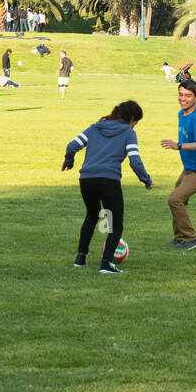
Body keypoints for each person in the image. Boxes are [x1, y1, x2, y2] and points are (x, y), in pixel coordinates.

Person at [63, 100, 153, 273]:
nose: (135, 126)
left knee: (92, 215)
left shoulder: (95, 127)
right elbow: (135, 162)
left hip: (86, 179)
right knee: (115, 224)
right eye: (136, 122)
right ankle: (106, 263)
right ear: (132, 118)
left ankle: (80, 258)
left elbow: (72, 146)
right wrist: (146, 180)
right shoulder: (128, 132)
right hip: (109, 180)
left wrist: (69, 161)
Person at [161, 77, 196, 250]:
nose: (183, 98)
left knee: (175, 199)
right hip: (190, 168)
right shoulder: (181, 113)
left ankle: (191, 239)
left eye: (188, 95)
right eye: (180, 94)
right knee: (177, 199)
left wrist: (178, 146)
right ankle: (180, 237)